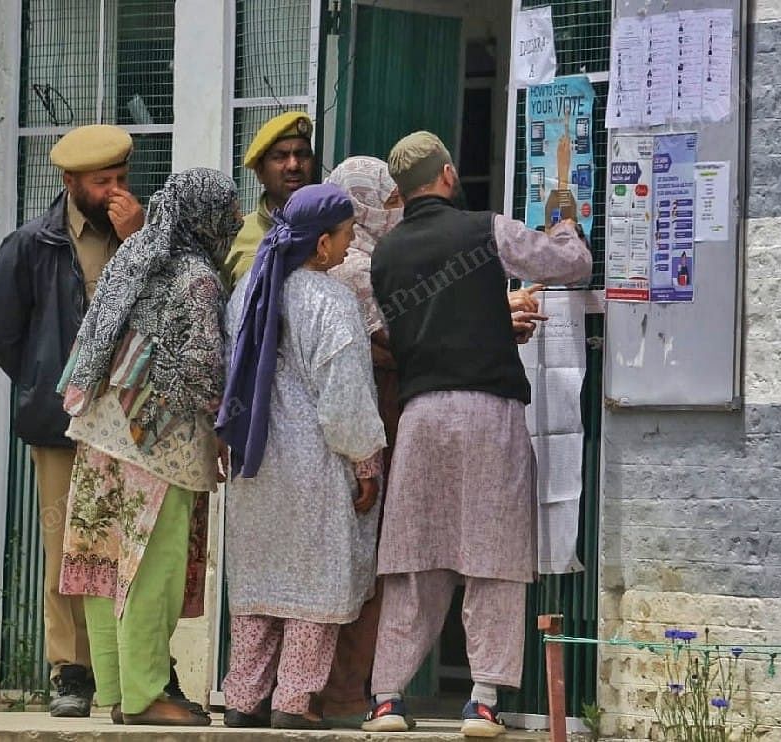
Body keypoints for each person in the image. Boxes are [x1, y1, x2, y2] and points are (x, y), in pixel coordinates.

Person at [362, 132, 592, 737]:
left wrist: (495, 323)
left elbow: (429, 324)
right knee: (493, 556)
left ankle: (387, 699)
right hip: (488, 413)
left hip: (421, 419)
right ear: (447, 174)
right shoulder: (485, 228)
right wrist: (564, 222)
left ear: (399, 192)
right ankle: (485, 701)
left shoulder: (384, 256)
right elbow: (571, 265)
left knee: (415, 559)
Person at [56, 168, 242, 727]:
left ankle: (115, 690)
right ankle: (146, 694)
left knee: (105, 559)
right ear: (205, 218)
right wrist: (226, 425)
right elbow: (206, 371)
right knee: (149, 567)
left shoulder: (135, 255)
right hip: (157, 444)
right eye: (228, 216)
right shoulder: (195, 277)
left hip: (100, 430)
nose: (233, 225)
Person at [0, 124, 144, 717]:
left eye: (122, 178)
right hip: (62, 424)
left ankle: (133, 670)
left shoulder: (142, 238)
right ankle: (70, 672)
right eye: (103, 181)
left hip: (131, 426)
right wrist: (46, 384)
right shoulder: (30, 244)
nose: (115, 190)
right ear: (70, 182)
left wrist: (137, 241)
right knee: (64, 547)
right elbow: (0, 331)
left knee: (131, 546)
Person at [217, 183, 387, 731]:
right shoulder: (330, 301)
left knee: (262, 583)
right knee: (314, 582)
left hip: (254, 465)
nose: (349, 245)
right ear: (320, 245)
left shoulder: (246, 292)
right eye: (344, 235)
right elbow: (345, 401)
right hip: (313, 467)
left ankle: (244, 699)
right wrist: (366, 462)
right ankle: (294, 701)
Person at [314, 156, 403, 726]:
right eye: (390, 203)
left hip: (332, 433)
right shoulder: (360, 269)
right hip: (368, 426)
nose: (398, 213)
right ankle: (345, 691)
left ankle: (317, 687)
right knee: (366, 562)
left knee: (337, 558)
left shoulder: (321, 266)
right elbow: (390, 344)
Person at [221, 111, 315, 288]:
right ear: (259, 172)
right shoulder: (234, 236)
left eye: (302, 154)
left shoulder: (332, 232)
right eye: (280, 157)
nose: (294, 165)